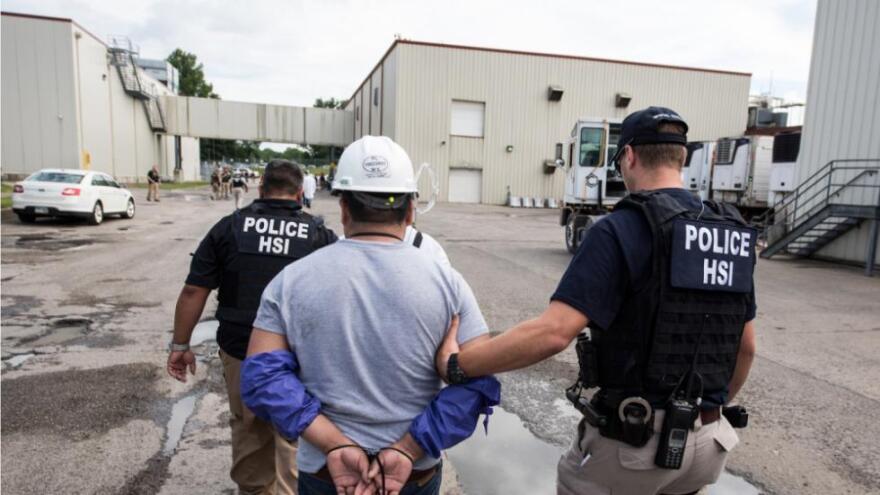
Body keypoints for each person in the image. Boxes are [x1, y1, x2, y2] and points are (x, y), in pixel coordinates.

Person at [436, 107, 758, 495]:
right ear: (682, 158)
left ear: (629, 157)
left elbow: (553, 333)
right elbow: (746, 348)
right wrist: (704, 417)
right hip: (709, 445)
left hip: (634, 446)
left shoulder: (620, 229)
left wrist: (457, 365)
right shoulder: (730, 233)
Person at [240, 136, 499, 495]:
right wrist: (409, 447)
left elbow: (261, 379)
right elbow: (478, 384)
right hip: (413, 474)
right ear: (410, 210)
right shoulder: (449, 284)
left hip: (327, 474)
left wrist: (335, 443)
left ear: (343, 207)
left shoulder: (290, 282)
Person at [167, 160, 338, 495]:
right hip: (299, 357)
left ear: (261, 189)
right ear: (300, 192)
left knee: (249, 429)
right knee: (297, 434)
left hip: (242, 350)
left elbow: (193, 290)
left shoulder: (229, 228)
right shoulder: (319, 235)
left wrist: (180, 346)